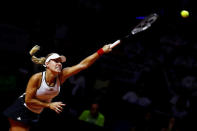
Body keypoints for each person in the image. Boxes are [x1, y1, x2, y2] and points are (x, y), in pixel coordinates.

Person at [3, 44, 112, 131]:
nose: (59, 64)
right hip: (22, 108)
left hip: (35, 112)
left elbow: (83, 65)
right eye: (55, 61)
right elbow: (29, 100)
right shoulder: (37, 78)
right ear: (47, 64)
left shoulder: (62, 76)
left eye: (60, 62)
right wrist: (49, 105)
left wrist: (101, 51)